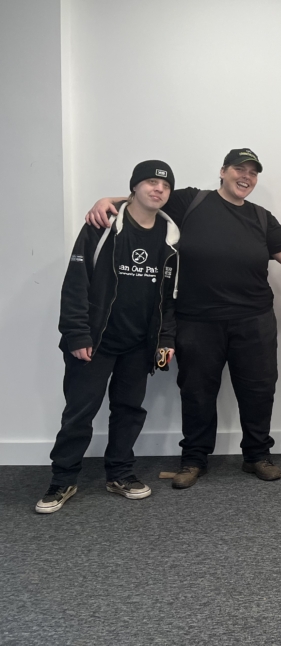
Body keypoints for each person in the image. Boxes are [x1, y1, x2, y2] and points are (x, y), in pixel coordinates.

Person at [84, 149, 281, 488]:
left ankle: (256, 456)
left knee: (258, 390)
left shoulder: (262, 217)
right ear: (223, 171)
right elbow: (147, 200)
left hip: (253, 320)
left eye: (253, 172)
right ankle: (194, 459)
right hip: (196, 320)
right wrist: (108, 199)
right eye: (240, 168)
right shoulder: (191, 202)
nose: (246, 177)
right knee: (196, 392)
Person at [37, 161, 179, 514]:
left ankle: (120, 473)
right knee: (79, 413)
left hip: (139, 344)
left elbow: (168, 298)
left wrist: (165, 339)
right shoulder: (101, 227)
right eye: (149, 182)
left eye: (164, 185)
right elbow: (75, 285)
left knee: (129, 411)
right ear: (134, 187)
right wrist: (76, 334)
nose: (158, 189)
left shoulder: (171, 238)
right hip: (95, 341)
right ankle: (62, 479)